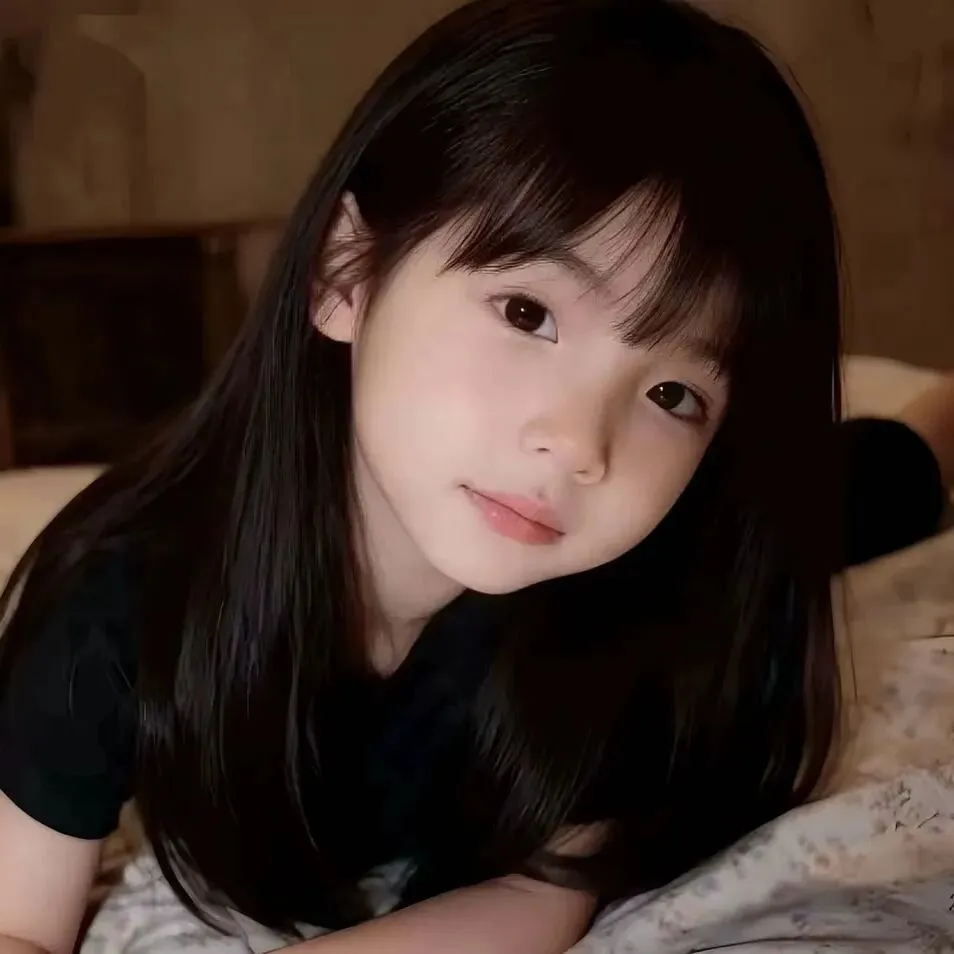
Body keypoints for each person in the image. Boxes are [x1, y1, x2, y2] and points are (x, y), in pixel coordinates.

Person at [0, 1, 856, 952]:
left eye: (671, 393)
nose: (580, 444)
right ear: (346, 273)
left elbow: (543, 892)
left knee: (859, 487)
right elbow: (16, 922)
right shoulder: (117, 600)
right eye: (527, 313)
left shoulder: (650, 595)